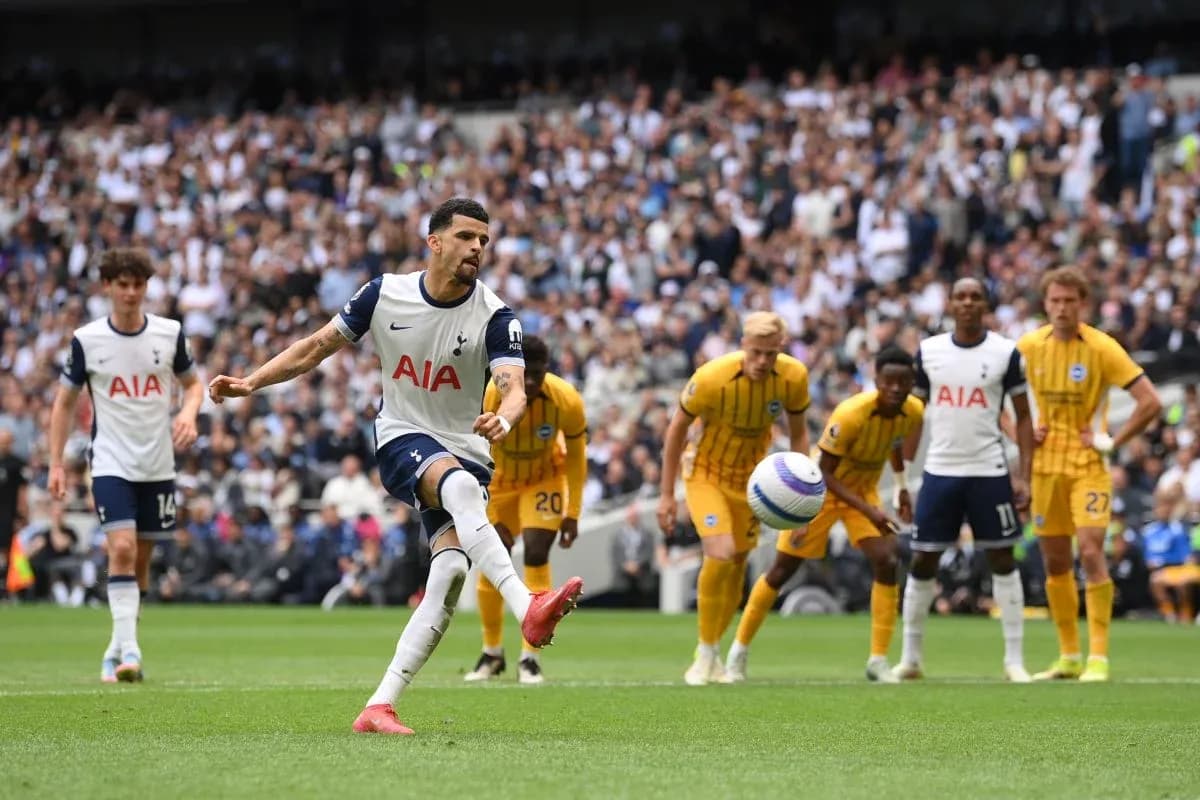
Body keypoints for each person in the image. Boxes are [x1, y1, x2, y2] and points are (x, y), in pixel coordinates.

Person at [208, 197, 583, 735]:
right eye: (466, 236)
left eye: (484, 239)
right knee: (451, 484)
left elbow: (512, 386)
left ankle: (379, 705)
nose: (478, 247)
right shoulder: (385, 294)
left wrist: (507, 417)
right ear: (434, 242)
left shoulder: (497, 316)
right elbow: (316, 346)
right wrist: (251, 382)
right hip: (403, 437)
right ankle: (527, 604)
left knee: (451, 571)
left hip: (470, 451)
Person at [48, 247, 203, 683]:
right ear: (108, 287)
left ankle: (115, 650)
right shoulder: (87, 340)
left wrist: (188, 414)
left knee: (141, 564)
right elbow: (63, 405)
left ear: (146, 287)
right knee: (120, 548)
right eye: (123, 285)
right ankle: (131, 648)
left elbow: (194, 386)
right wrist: (56, 463)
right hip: (111, 461)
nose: (131, 293)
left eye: (138, 285)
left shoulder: (169, 334)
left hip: (158, 463)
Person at [727, 346, 921, 683]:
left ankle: (877, 660)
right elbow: (825, 472)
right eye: (889, 381)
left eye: (903, 382)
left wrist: (902, 486)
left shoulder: (913, 411)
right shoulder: (850, 414)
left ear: (911, 383)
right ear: (875, 380)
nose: (895, 388)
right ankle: (738, 651)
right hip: (819, 493)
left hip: (863, 493)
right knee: (782, 569)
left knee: (887, 560)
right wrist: (871, 511)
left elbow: (893, 443)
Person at [1016, 265, 1162, 682]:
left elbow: (1148, 401)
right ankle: (1068, 656)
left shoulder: (1102, 348)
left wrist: (1112, 440)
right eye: (1055, 301)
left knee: (1093, 549)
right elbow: (994, 394)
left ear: (1084, 304)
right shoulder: (1029, 346)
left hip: (1087, 465)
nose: (1062, 308)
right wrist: (1021, 432)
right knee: (1055, 561)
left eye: (1070, 301)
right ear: (1045, 304)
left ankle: (1099, 657)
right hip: (1045, 467)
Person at [893, 278, 1035, 682]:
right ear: (950, 303)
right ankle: (911, 658)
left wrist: (1024, 475)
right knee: (923, 558)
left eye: (976, 296)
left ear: (987, 303)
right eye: (961, 296)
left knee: (1002, 559)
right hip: (940, 471)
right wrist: (903, 479)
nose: (969, 303)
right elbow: (912, 418)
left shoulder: (1006, 353)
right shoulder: (929, 352)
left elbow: (1023, 417)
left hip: (989, 470)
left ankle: (1013, 661)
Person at [656, 311, 810, 685]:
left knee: (738, 564)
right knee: (720, 552)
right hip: (705, 474)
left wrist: (803, 503)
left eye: (770, 354)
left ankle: (713, 654)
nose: (761, 362)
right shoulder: (711, 378)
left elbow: (800, 436)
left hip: (753, 483)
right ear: (743, 345)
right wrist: (666, 495)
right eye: (755, 352)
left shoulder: (793, 378)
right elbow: (676, 430)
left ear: (780, 350)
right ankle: (705, 653)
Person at [463, 335, 587, 685]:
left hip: (543, 479)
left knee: (536, 551)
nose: (531, 382)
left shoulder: (566, 400)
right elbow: (472, 451)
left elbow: (577, 457)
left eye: (538, 374)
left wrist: (573, 511)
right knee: (493, 556)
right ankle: (492, 652)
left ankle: (530, 658)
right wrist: (485, 510)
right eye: (525, 374)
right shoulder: (489, 394)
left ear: (548, 370)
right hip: (497, 482)